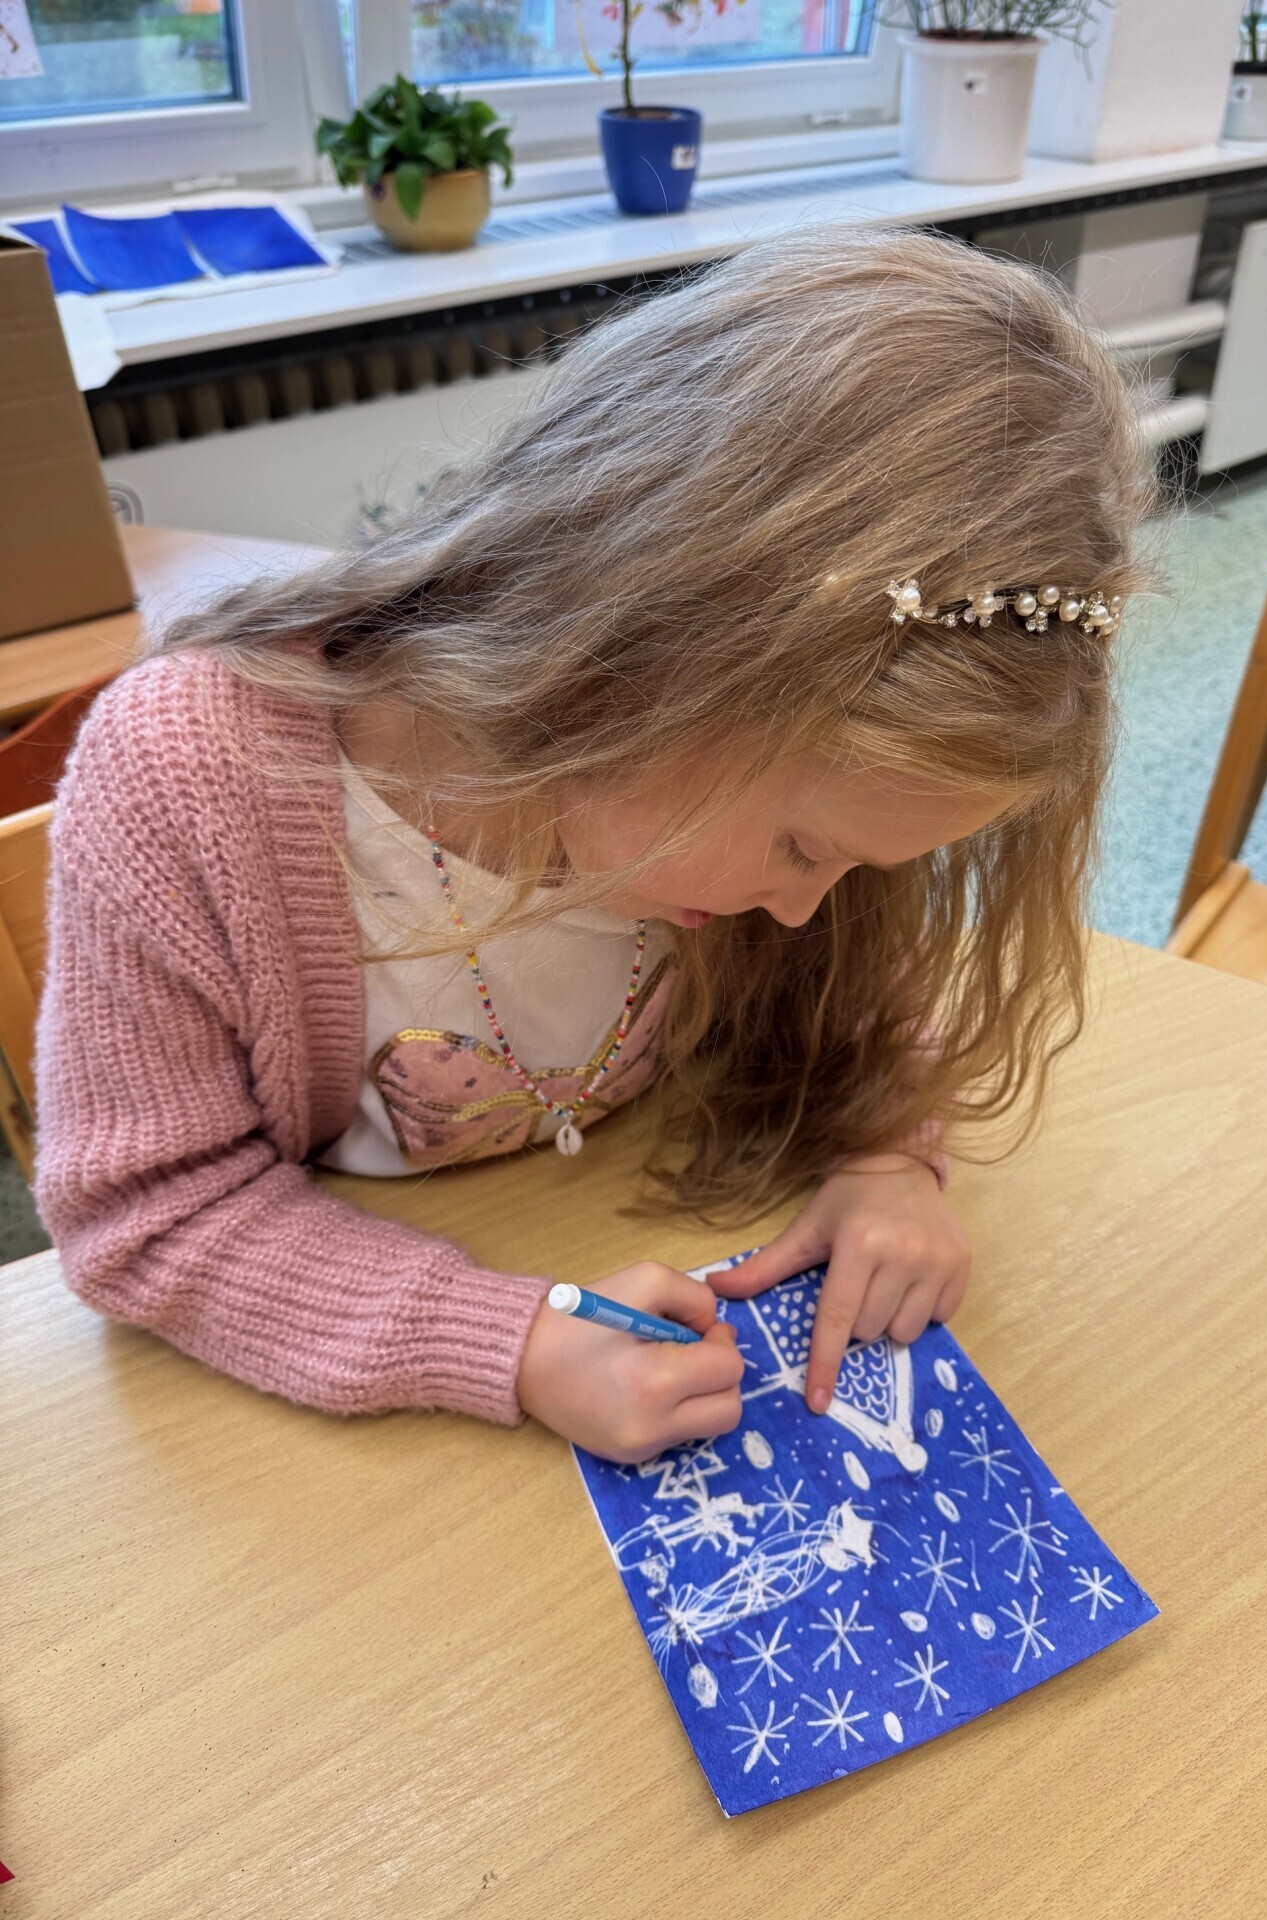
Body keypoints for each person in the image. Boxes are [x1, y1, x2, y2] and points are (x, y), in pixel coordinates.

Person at [35, 223, 1152, 1464]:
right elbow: (150, 1213)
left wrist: (889, 1155)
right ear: (644, 662)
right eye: (802, 850)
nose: (805, 912)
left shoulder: (783, 783)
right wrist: (506, 1339)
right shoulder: (195, 775)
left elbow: (871, 1011)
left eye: (859, 871)